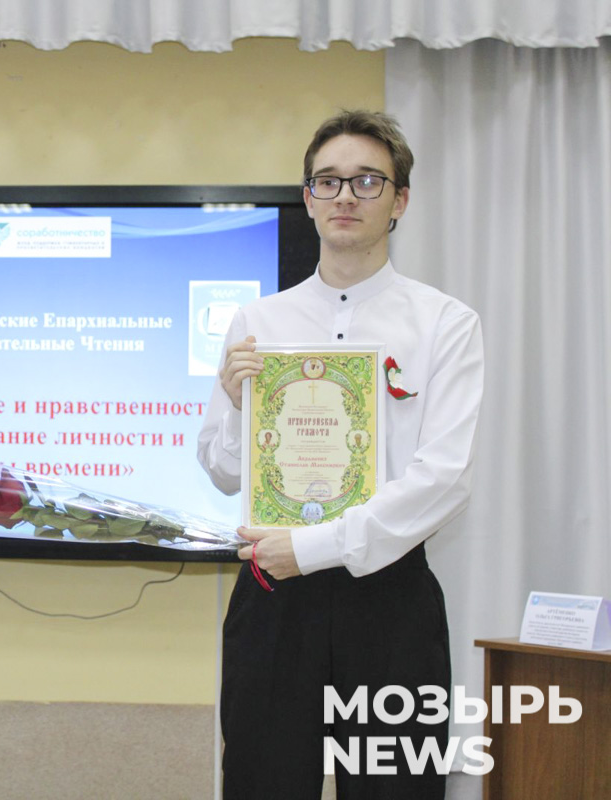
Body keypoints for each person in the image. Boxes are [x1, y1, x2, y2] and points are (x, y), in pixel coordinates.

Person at [197, 110, 483, 799]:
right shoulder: (258, 321)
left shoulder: (445, 323)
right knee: (262, 784)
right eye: (327, 181)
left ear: (399, 200)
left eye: (366, 181)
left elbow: (445, 479)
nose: (345, 196)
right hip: (274, 597)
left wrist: (315, 546)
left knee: (397, 788)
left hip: (390, 597)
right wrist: (235, 403)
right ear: (308, 199)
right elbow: (223, 471)